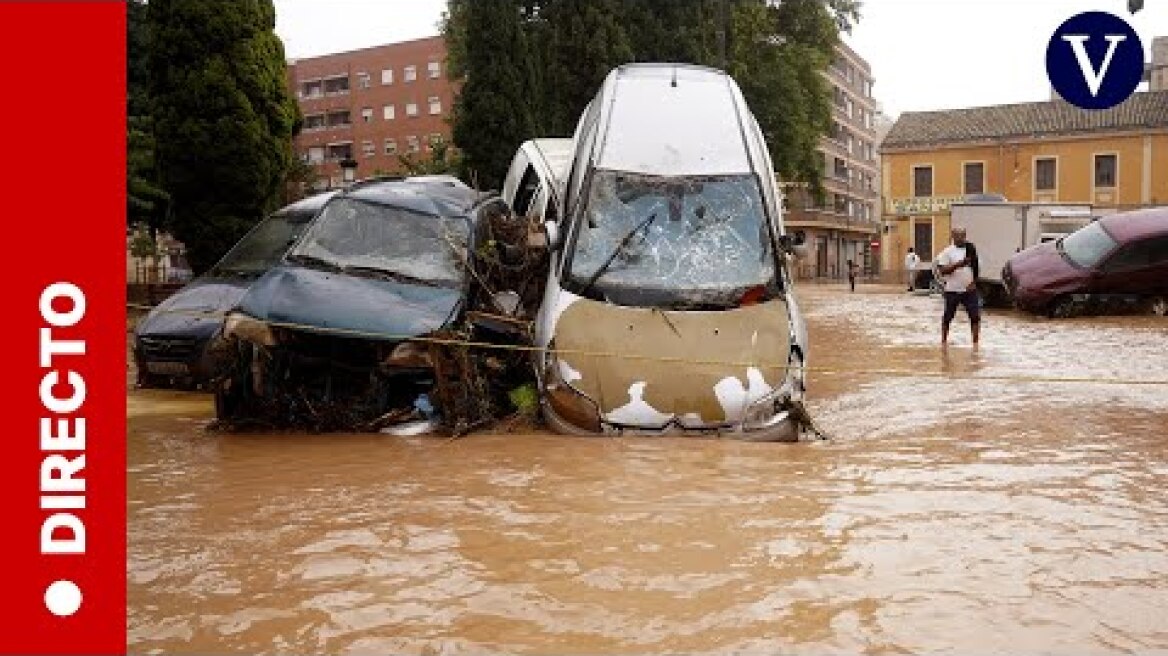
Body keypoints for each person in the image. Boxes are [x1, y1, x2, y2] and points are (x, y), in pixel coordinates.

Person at [935, 227, 980, 346]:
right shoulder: (947, 252)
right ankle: (943, 341)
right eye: (958, 235)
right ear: (953, 236)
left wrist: (974, 282)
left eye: (963, 235)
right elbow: (942, 271)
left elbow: (976, 267)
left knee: (975, 316)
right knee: (948, 316)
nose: (961, 238)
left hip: (969, 290)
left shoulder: (971, 248)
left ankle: (975, 344)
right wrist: (957, 265)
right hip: (952, 290)